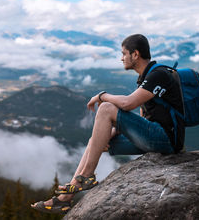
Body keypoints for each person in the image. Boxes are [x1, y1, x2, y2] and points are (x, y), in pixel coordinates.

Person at [31, 34, 185, 214]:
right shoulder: (146, 77)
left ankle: (86, 175)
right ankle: (64, 200)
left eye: (124, 53)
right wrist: (114, 131)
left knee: (105, 108)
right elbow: (144, 119)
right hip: (154, 137)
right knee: (94, 142)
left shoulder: (158, 75)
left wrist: (101, 96)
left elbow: (128, 104)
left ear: (135, 54)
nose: (121, 58)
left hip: (165, 139)